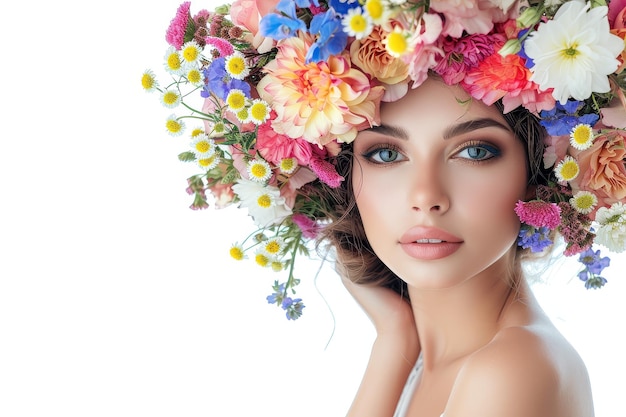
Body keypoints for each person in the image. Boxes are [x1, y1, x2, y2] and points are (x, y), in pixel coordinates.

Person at [142, 0, 626, 415]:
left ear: (542, 171)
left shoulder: (512, 370)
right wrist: (394, 341)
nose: (425, 196)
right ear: (344, 178)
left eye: (475, 151)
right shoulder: (443, 358)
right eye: (387, 154)